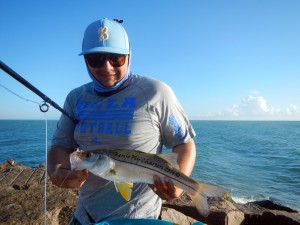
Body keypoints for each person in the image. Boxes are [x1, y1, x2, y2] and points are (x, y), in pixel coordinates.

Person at [47, 18, 196, 225]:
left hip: (140, 219)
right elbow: (60, 146)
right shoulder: (76, 98)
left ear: (129, 56)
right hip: (85, 217)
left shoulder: (156, 92)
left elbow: (184, 143)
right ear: (85, 60)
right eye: (96, 59)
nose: (106, 67)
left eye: (116, 58)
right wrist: (57, 171)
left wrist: (179, 183)